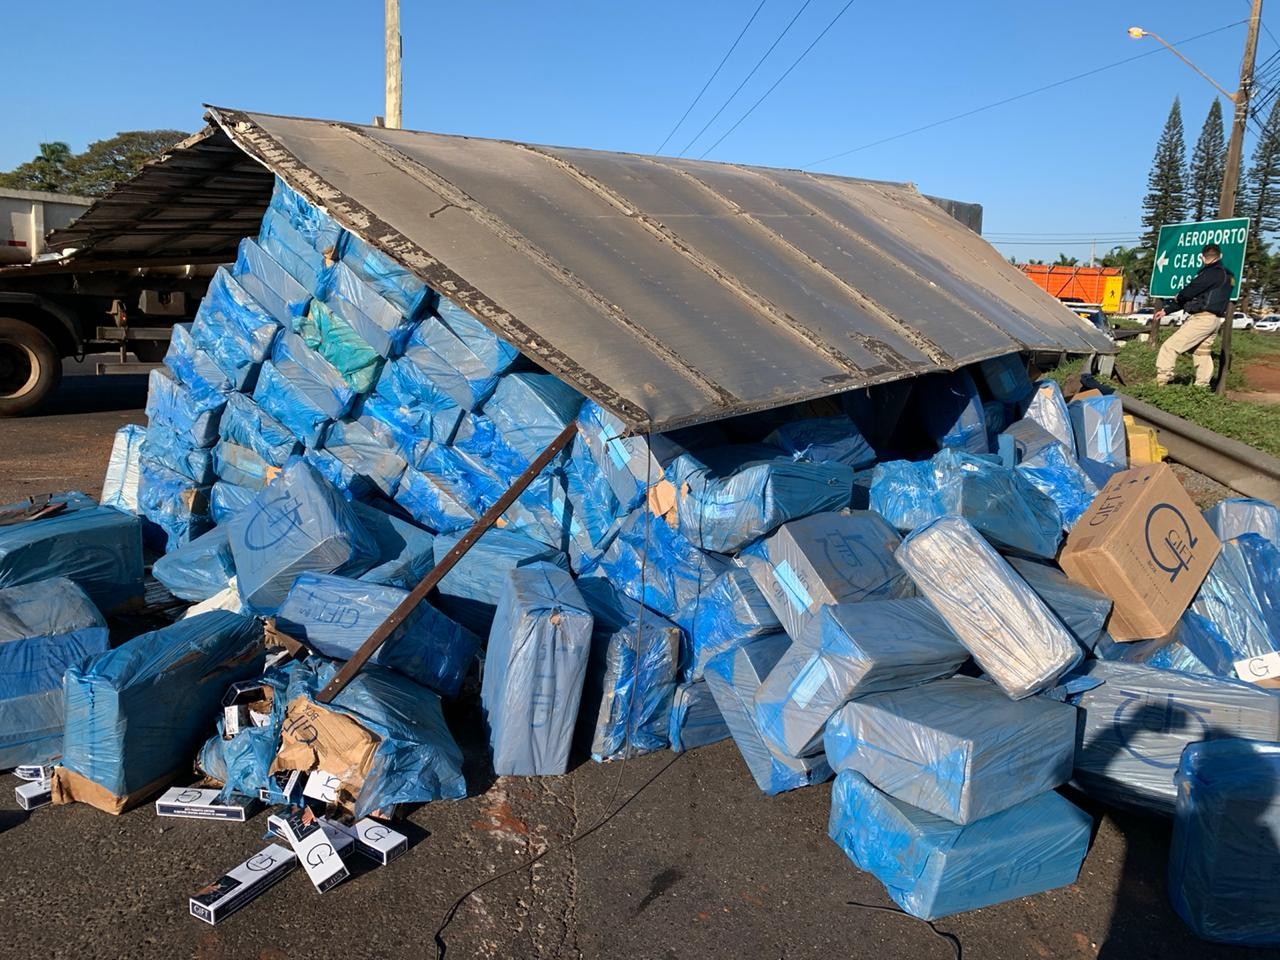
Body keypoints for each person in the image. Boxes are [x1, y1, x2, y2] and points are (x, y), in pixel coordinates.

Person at [1153, 244, 1233, 387]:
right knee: (1202, 352)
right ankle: (1201, 386)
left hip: (1202, 319)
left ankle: (1163, 379)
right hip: (1215, 320)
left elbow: (1189, 292)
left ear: (1202, 257)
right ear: (1220, 256)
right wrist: (1167, 310)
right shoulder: (1228, 275)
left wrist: (1178, 297)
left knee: (1170, 347)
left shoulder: (1210, 273)